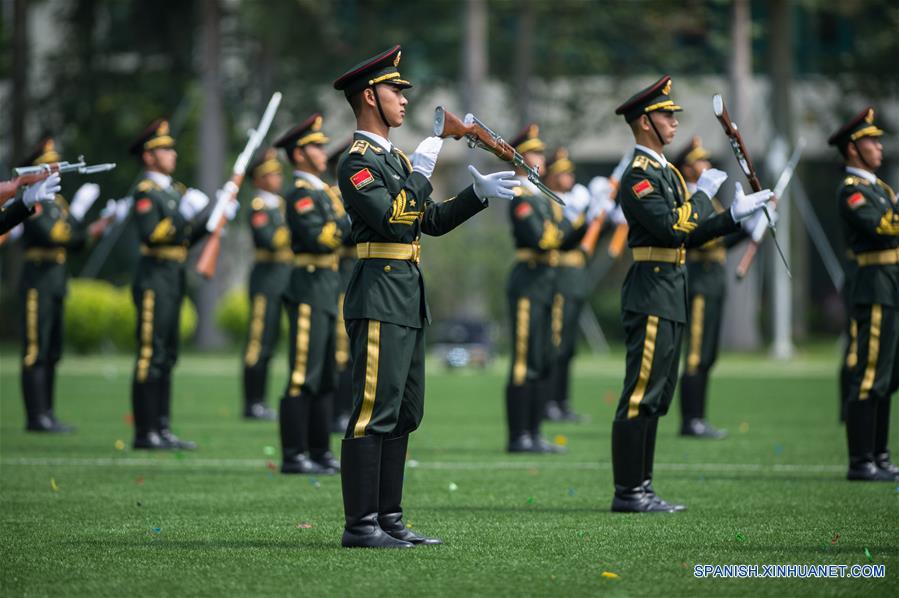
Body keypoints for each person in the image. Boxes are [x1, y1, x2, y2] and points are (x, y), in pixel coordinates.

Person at [333, 45, 517, 547]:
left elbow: (427, 220)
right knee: (374, 409)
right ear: (369, 96)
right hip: (378, 294)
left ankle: (389, 519)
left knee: (404, 411)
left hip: (406, 295)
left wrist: (476, 196)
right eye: (395, 90)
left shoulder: (393, 159)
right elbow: (393, 220)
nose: (403, 99)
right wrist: (419, 173)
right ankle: (361, 526)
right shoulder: (357, 163)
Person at [610, 76, 771, 512]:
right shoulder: (638, 175)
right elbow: (669, 228)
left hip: (671, 289)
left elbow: (692, 235)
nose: (674, 121)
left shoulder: (666, 173)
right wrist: (702, 197)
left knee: (659, 395)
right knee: (641, 392)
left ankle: (643, 487)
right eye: (666, 115)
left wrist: (734, 217)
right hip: (650, 289)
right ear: (645, 123)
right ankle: (628, 491)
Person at [128, 118, 235, 450]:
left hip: (173, 276)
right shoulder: (146, 193)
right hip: (153, 276)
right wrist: (185, 215)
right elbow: (153, 234)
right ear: (149, 156)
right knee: (151, 353)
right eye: (164, 149)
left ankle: (161, 428)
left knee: (167, 355)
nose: (172, 154)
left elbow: (186, 237)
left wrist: (215, 215)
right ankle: (145, 432)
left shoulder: (173, 191)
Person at [505, 133, 597, 452]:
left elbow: (564, 238)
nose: (541, 159)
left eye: (541, 153)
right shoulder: (521, 196)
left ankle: (533, 433)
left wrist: (587, 218)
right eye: (534, 154)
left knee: (542, 359)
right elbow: (542, 239)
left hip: (547, 282)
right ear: (519, 158)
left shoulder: (541, 197)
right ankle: (519, 436)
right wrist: (574, 222)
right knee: (524, 362)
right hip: (529, 282)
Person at [272, 114, 349, 474]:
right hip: (308, 285)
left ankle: (319, 452)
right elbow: (322, 238)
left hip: (327, 286)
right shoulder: (301, 195)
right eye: (315, 146)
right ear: (299, 154)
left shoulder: (323, 193)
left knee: (326, 374)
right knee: (303, 372)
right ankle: (294, 454)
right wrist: (351, 217)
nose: (322, 151)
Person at [828, 106, 899, 481]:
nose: (879, 146)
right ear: (853, 149)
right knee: (869, 373)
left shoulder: (878, 188)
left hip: (890, 285)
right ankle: (861, 461)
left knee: (885, 375)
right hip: (873, 286)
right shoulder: (852, 190)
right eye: (872, 140)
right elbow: (882, 227)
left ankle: (880, 456)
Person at [18, 137, 105, 432]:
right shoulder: (34, 201)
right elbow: (55, 235)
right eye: (49, 166)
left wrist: (91, 226)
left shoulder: (57, 202)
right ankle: (36, 416)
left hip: (55, 279)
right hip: (37, 280)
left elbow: (76, 242)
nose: (56, 170)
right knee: (35, 350)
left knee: (52, 351)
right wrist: (77, 218)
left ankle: (48, 413)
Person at [675, 136, 738, 439]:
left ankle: (699, 417)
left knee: (708, 353)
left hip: (714, 278)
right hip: (698, 278)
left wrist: (748, 225)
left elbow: (722, 241)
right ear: (688, 168)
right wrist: (736, 221)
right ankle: (691, 420)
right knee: (697, 353)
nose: (707, 165)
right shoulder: (690, 198)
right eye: (701, 161)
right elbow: (703, 236)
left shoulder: (708, 198)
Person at [241, 148, 289, 421]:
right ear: (259, 179)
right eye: (270, 174)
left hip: (285, 276)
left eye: (278, 173)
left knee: (272, 343)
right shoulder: (259, 208)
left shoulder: (281, 205)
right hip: (266, 279)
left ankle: (261, 401)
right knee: (259, 342)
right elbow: (269, 241)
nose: (277, 178)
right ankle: (253, 402)